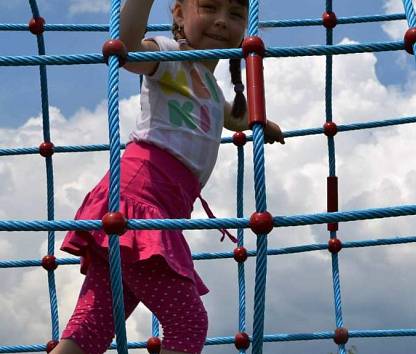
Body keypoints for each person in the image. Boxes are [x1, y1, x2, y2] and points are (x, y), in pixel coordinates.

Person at [51, 1, 283, 354]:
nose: (221, 21)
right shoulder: (169, 56)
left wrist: (260, 123)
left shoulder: (213, 90)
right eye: (208, 7)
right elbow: (126, 49)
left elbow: (234, 119)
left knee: (91, 328)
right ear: (178, 14)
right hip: (139, 201)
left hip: (158, 208)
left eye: (235, 15)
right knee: (188, 322)